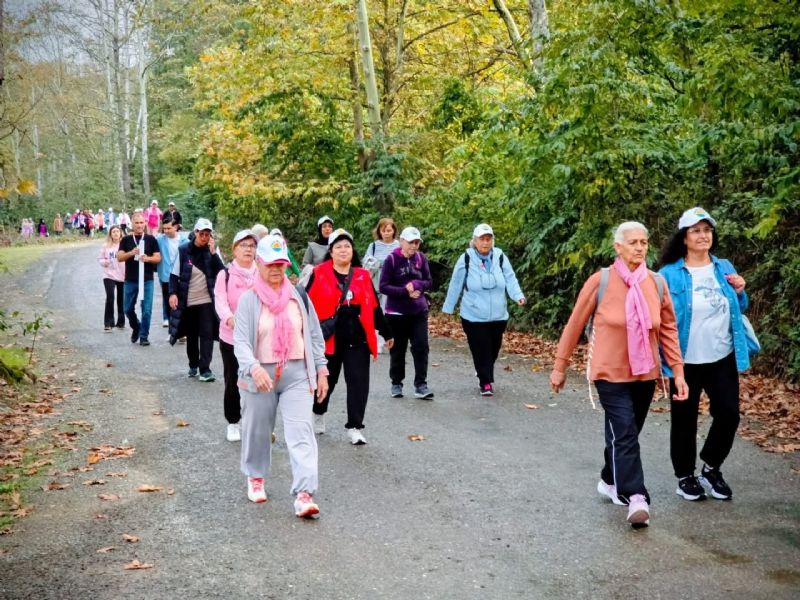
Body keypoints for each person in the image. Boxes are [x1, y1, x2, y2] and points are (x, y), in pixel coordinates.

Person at [549, 221, 688, 529]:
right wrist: (560, 366)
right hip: (608, 373)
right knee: (624, 431)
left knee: (626, 433)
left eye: (644, 242)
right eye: (633, 242)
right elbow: (574, 324)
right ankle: (636, 496)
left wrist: (677, 371)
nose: (640, 247)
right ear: (618, 247)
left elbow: (668, 330)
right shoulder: (600, 281)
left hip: (645, 373)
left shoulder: (656, 283)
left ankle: (609, 478)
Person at [658, 207, 751, 502]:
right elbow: (658, 319)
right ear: (684, 237)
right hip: (683, 361)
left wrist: (740, 291)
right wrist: (661, 361)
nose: (703, 235)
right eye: (696, 231)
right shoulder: (668, 274)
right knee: (684, 420)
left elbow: (739, 308)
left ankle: (711, 468)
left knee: (729, 414)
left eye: (707, 230)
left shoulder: (723, 267)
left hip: (721, 356)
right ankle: (685, 476)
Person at [233, 233, 329, 516]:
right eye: (270, 264)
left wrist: (321, 369)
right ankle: (256, 476)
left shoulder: (298, 296)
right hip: (260, 374)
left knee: (301, 432)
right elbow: (240, 342)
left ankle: (304, 494)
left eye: (281, 264)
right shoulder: (249, 299)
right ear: (259, 263)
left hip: (296, 373)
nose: (276, 270)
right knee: (258, 430)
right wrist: (253, 367)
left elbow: (314, 335)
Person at [305, 229, 393, 444]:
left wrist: (386, 332)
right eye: (338, 247)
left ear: (353, 250)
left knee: (358, 384)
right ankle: (318, 412)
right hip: (329, 339)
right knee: (327, 380)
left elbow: (374, 306)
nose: (343, 250)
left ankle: (355, 426)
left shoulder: (362, 275)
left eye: (347, 246)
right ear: (331, 251)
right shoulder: (319, 273)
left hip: (358, 339)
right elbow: (306, 304)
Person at [442, 223, 526, 396]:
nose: (485, 243)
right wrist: (448, 307)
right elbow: (456, 284)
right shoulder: (466, 258)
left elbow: (510, 278)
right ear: (474, 241)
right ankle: (485, 382)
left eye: (488, 239)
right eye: (482, 239)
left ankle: (483, 370)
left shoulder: (500, 256)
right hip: (473, 315)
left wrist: (518, 295)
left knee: (493, 348)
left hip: (498, 314)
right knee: (481, 348)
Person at [379, 226, 434, 399]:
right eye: (411, 242)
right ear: (402, 241)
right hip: (396, 313)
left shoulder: (421, 258)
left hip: (418, 311)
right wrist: (405, 291)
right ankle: (396, 383)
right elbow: (383, 286)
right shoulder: (391, 259)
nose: (414, 246)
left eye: (417, 242)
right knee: (398, 349)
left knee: (421, 347)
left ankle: (421, 385)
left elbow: (428, 281)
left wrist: (417, 285)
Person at [215, 229, 259, 442]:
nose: (248, 249)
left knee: (259, 380)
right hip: (231, 338)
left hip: (259, 338)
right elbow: (220, 302)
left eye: (252, 246)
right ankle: (233, 422)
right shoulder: (225, 275)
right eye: (243, 245)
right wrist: (231, 320)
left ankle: (257, 422)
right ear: (234, 249)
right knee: (233, 380)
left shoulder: (262, 272)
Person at [168, 218, 225, 382]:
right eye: (202, 234)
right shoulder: (183, 250)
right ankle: (193, 364)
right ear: (195, 232)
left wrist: (213, 254)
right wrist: (173, 293)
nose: (204, 237)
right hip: (189, 300)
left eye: (208, 234)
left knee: (207, 334)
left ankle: (205, 369)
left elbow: (223, 274)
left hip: (207, 300)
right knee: (192, 335)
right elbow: (174, 275)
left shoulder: (213, 251)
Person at [117, 211, 161, 346]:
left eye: (142, 222)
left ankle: (144, 336)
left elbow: (158, 258)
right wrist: (131, 253)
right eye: (137, 223)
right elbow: (119, 257)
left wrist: (148, 258)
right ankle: (136, 326)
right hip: (130, 280)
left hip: (147, 280)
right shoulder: (126, 240)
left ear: (145, 223)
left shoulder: (151, 239)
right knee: (127, 309)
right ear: (132, 224)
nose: (139, 225)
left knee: (146, 310)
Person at [156, 216, 186, 328]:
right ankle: (168, 320)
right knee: (167, 298)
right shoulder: (159, 240)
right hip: (165, 274)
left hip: (181, 275)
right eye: (164, 228)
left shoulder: (185, 241)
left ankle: (180, 323)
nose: (166, 231)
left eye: (169, 228)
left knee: (181, 299)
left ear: (176, 227)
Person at [98, 225, 126, 331]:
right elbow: (100, 258)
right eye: (113, 231)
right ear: (110, 234)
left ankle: (121, 322)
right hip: (109, 275)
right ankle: (108, 323)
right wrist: (105, 262)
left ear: (120, 233)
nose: (115, 233)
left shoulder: (124, 245)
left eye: (117, 231)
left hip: (123, 275)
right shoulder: (106, 246)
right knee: (110, 297)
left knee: (121, 299)